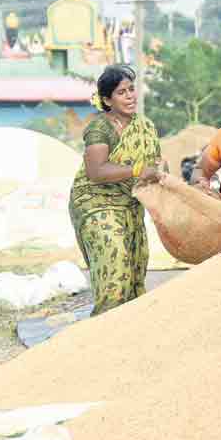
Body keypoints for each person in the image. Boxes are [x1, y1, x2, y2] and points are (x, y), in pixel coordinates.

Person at [69, 65, 165, 316]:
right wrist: (136, 170)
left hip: (130, 205)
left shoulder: (145, 126)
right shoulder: (100, 128)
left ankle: (126, 339)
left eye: (132, 90)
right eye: (122, 92)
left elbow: (154, 164)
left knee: (134, 273)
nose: (130, 96)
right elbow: (96, 171)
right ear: (107, 100)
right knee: (115, 271)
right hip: (96, 202)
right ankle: (100, 335)